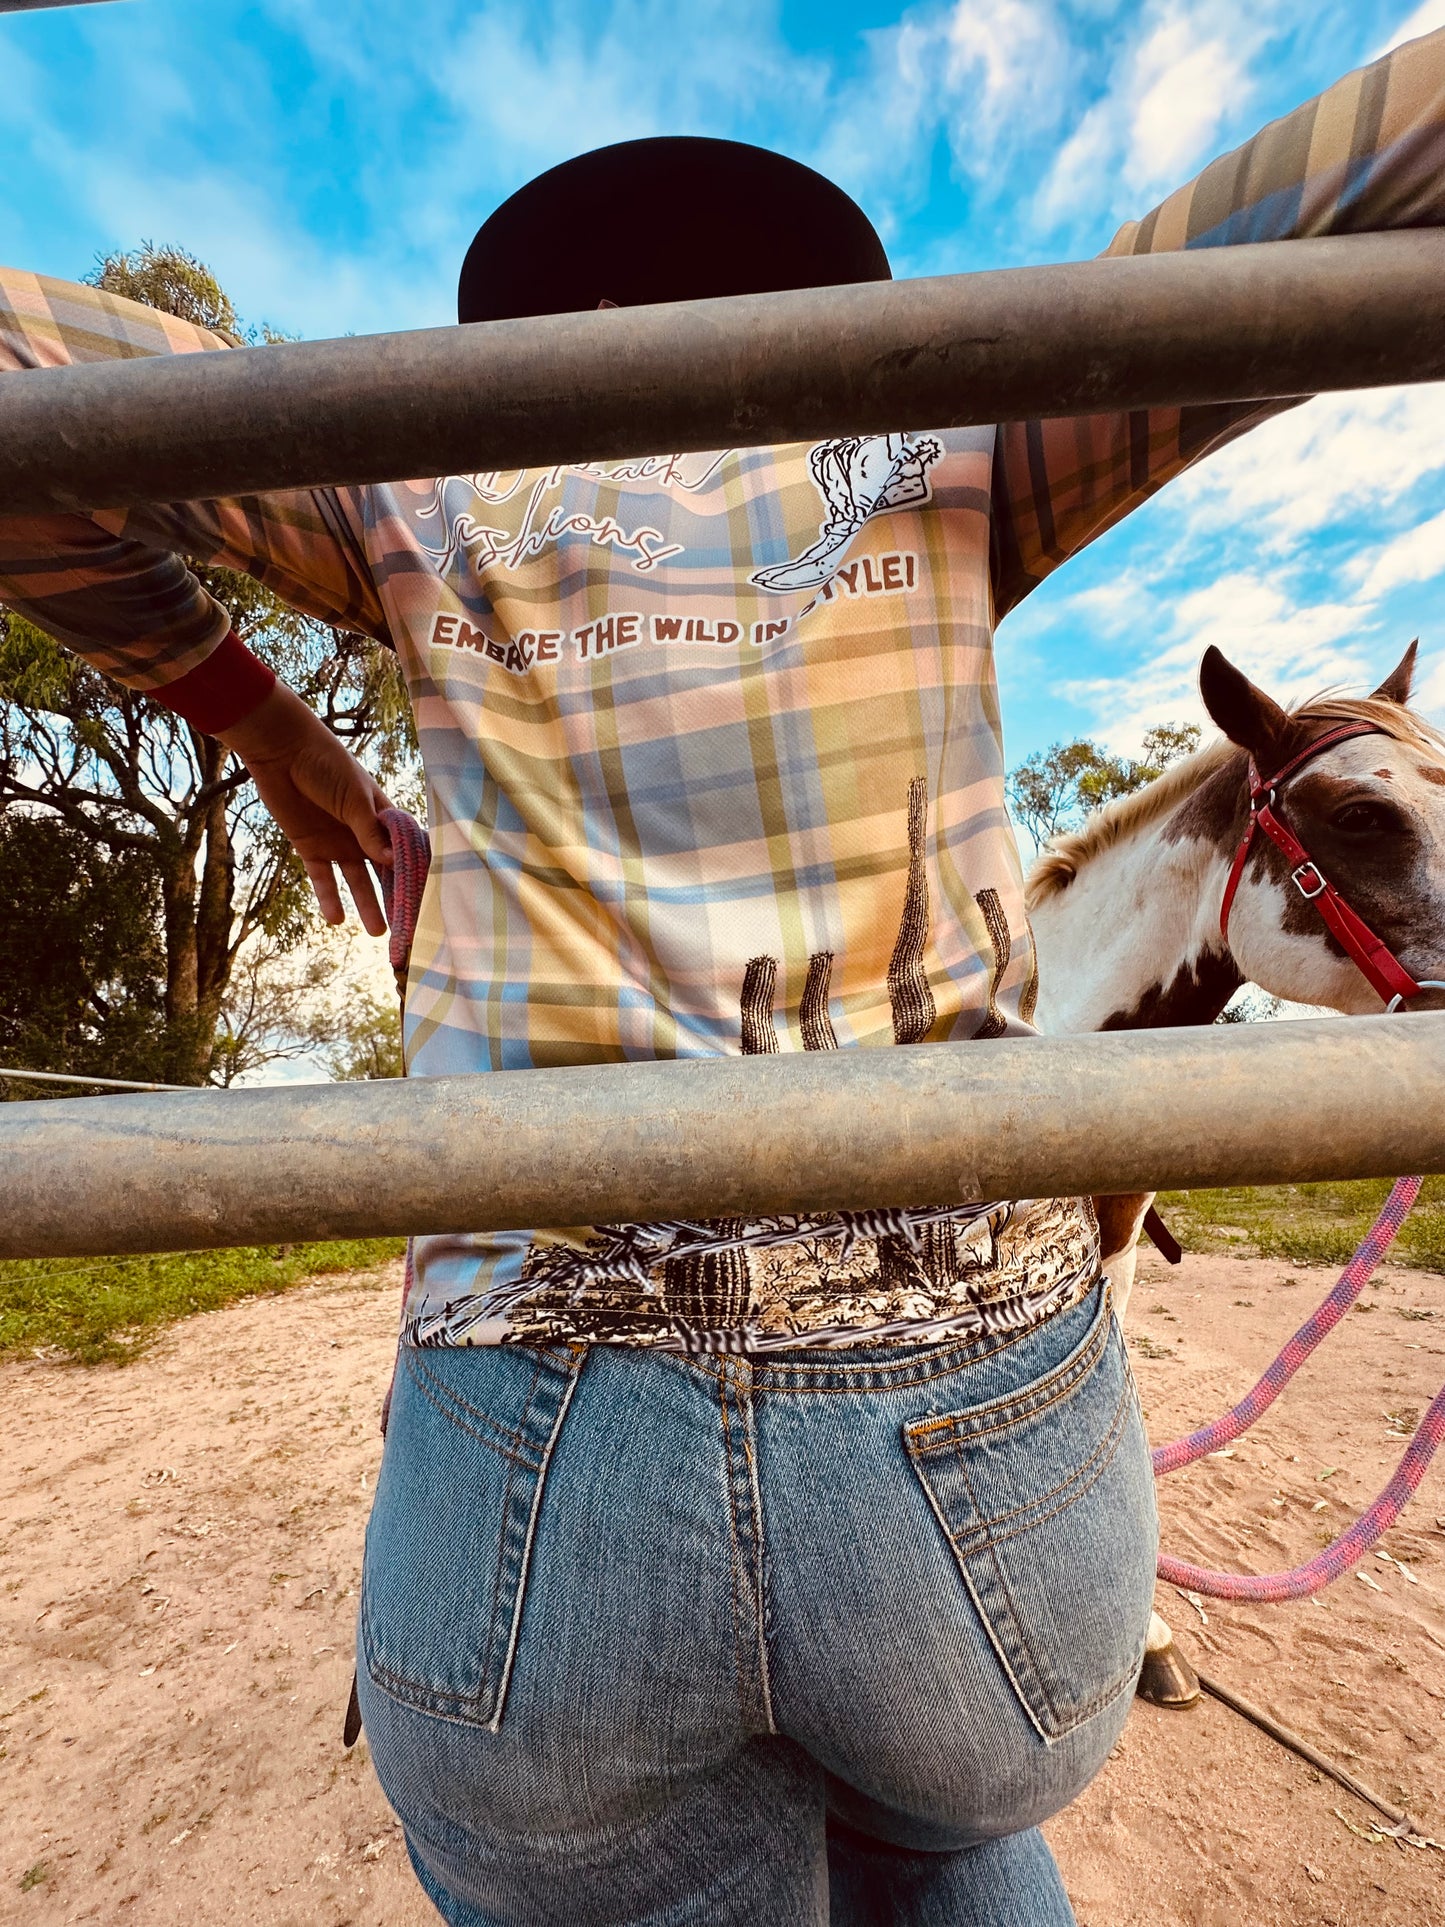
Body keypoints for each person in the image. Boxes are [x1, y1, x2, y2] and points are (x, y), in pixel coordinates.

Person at [2, 29, 1442, 1925]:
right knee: (959, 1826)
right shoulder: (947, 444)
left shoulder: (425, 493)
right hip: (977, 1453)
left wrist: (254, 714)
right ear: (832, 315)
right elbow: (1387, 144)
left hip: (551, 1431)